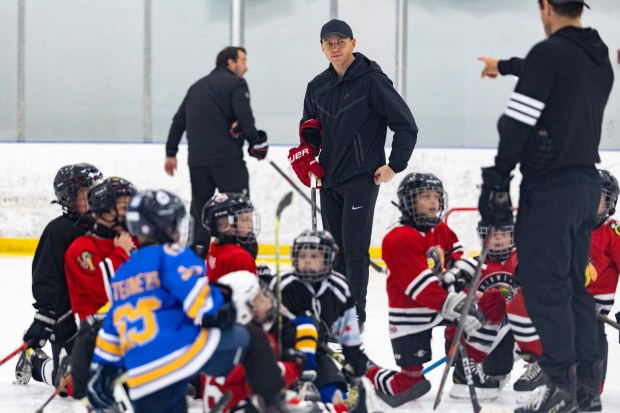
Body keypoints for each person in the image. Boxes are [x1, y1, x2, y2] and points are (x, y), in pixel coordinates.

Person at [476, 1, 614, 412]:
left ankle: (560, 386)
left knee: (544, 290)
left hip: (550, 189)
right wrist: (506, 65)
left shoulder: (549, 54)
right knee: (572, 286)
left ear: (547, 7)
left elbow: (517, 122)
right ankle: (586, 388)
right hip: (586, 186)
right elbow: (553, 72)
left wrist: (498, 178)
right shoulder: (597, 53)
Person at [86, 189, 296, 413]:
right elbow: (201, 302)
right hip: (182, 353)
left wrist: (101, 370)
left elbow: (111, 330)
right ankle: (274, 405)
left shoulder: (125, 271)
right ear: (167, 224)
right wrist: (224, 303)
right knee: (253, 339)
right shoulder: (171, 254)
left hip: (142, 372)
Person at [288, 19, 418, 329]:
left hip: (362, 178)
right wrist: (308, 158)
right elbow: (311, 129)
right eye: (329, 42)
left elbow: (406, 125)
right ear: (322, 47)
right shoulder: (316, 86)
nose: (335, 47)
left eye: (340, 41)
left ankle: (353, 316)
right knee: (334, 251)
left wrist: (393, 166)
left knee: (355, 249)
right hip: (329, 179)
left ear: (353, 43)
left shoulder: (372, 81)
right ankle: (335, 310)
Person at [376, 173, 505, 407]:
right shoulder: (398, 237)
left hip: (444, 302)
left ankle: (465, 370)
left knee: (494, 302)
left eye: (436, 197)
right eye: (425, 197)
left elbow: (455, 254)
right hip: (410, 311)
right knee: (410, 382)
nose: (433, 202)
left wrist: (458, 272)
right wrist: (459, 305)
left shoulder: (440, 229)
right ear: (408, 201)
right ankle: (370, 374)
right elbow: (421, 289)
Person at [165, 46, 269, 259]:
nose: (246, 67)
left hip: (198, 161)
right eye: (243, 61)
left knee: (200, 210)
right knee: (239, 208)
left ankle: (196, 257)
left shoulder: (196, 87)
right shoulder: (236, 83)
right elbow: (244, 115)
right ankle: (243, 256)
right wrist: (256, 142)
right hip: (227, 160)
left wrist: (171, 152)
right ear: (230, 63)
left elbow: (178, 120)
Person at [15, 163, 103, 391]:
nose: (95, 199)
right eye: (87, 194)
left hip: (104, 314)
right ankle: (37, 363)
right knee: (72, 385)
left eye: (97, 191)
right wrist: (46, 317)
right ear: (69, 199)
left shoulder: (108, 226)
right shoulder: (58, 232)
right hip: (67, 318)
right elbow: (46, 278)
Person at [273, 229, 372, 412]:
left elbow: (348, 333)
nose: (307, 260)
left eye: (314, 256)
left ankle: (325, 404)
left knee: (335, 392)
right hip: (285, 354)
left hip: (318, 354)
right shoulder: (283, 285)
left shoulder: (340, 288)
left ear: (329, 259)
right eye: (303, 255)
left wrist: (355, 363)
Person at [64, 177, 137, 406]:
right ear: (104, 210)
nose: (129, 213)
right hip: (96, 339)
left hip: (133, 332)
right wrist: (121, 254)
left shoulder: (132, 240)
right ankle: (67, 369)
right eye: (124, 207)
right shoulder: (81, 250)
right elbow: (106, 293)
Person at [201, 192, 260, 281]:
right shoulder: (241, 258)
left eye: (250, 220)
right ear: (224, 226)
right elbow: (250, 293)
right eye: (244, 220)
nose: (250, 226)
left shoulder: (214, 249)